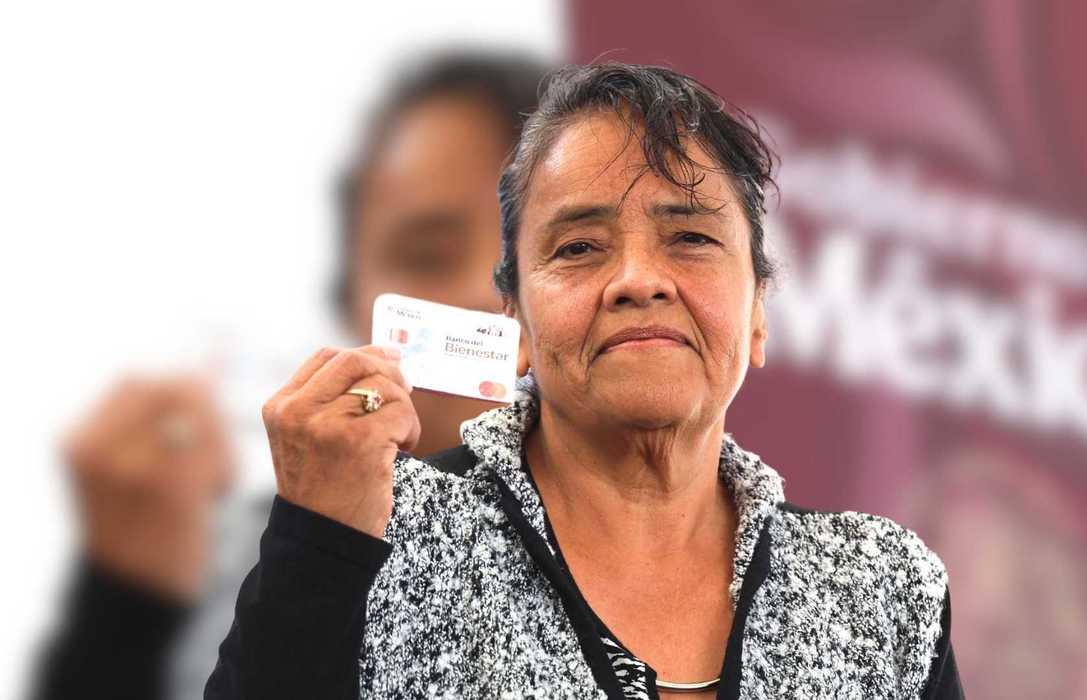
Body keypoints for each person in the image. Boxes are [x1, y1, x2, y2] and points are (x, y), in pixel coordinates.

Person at [206, 63, 964, 699]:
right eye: (577, 247)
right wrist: (319, 538)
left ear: (758, 312)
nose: (637, 279)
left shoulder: (882, 588)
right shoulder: (379, 537)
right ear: (518, 323)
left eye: (691, 238)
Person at [27, 51, 550, 700]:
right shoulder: (238, 568)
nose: (486, 296)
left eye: (550, 251)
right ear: (351, 298)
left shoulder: (682, 539)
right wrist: (125, 606)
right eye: (427, 253)